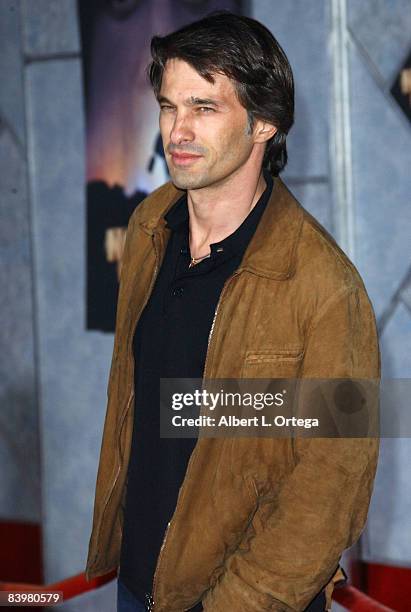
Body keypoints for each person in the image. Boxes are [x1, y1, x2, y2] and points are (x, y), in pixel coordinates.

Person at [86, 11, 380, 612]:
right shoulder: (148, 228)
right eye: (169, 106)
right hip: (136, 587)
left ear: (264, 122)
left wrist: (240, 602)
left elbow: (332, 487)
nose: (177, 130)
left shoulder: (328, 288)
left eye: (204, 107)